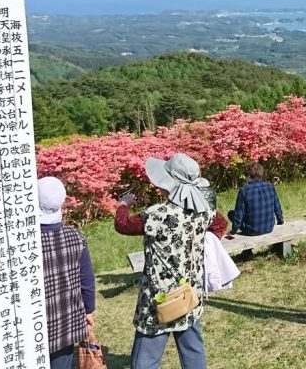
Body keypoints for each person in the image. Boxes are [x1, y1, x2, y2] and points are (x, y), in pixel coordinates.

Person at [114, 153, 218, 369]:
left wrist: (123, 204)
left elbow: (123, 225)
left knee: (147, 354)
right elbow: (220, 224)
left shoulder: (157, 215)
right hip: (190, 291)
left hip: (159, 297)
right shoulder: (204, 211)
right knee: (192, 350)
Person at [37, 176, 96, 369]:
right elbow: (86, 280)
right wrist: (89, 310)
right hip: (67, 322)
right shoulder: (75, 236)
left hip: (36, 325)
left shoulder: (26, 246)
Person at [228, 161, 284, 237]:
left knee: (231, 213)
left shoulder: (243, 191)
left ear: (248, 176)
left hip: (251, 230)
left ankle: (247, 249)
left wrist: (233, 231)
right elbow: (277, 207)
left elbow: (238, 215)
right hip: (269, 227)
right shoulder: (270, 187)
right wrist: (280, 221)